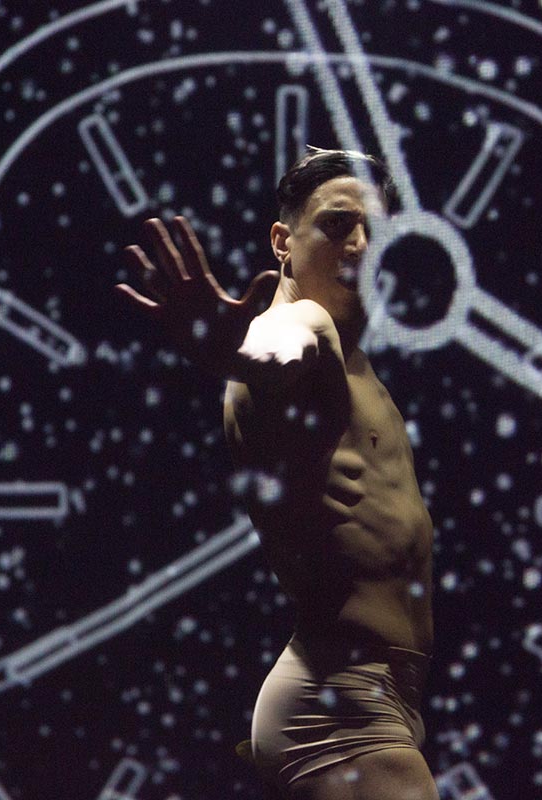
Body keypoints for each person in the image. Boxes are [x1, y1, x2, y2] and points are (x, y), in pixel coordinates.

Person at [116, 148, 437, 800]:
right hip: (338, 705)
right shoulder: (303, 323)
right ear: (282, 242)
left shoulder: (355, 364)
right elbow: (279, 348)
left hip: (369, 696)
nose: (360, 243)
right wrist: (229, 347)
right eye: (337, 223)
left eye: (374, 227)